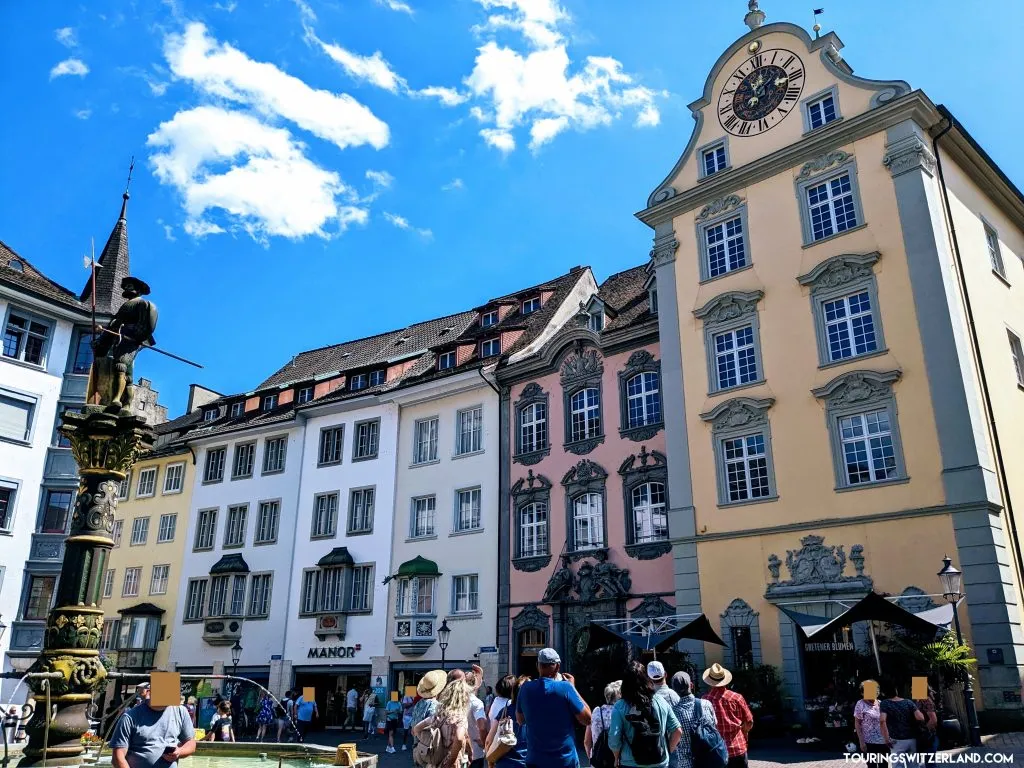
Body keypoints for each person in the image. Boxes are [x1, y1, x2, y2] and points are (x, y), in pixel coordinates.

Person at [516, 648, 592, 768]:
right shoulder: (566, 688)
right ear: (558, 667)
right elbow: (587, 719)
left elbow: (520, 720)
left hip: (536, 760)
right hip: (564, 761)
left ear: (538, 666)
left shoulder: (525, 688)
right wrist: (573, 688)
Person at [609, 661, 682, 768]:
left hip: (631, 762)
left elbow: (614, 739)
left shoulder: (620, 706)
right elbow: (677, 731)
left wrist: (616, 758)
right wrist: (666, 751)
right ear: (646, 679)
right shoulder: (660, 701)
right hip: (659, 762)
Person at [109, 682, 197, 768]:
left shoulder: (180, 711)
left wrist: (179, 752)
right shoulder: (130, 717)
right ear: (150, 692)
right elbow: (117, 758)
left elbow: (191, 743)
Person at [412, 678, 472, 768]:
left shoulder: (439, 714)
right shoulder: (460, 717)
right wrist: (451, 760)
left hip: (435, 761)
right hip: (452, 763)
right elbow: (459, 738)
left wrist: (425, 740)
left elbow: (416, 729)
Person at [702, 664, 753, 768]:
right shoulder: (737, 698)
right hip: (737, 747)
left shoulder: (704, 700)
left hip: (716, 749)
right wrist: (744, 732)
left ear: (710, 682)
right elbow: (749, 722)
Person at [668, 672, 718, 768]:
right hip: (708, 760)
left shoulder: (673, 712)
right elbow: (715, 726)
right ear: (691, 685)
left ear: (674, 690)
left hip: (686, 764)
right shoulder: (707, 704)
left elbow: (673, 738)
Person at [485, 675, 530, 768]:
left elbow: (489, 741)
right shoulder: (537, 713)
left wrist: (490, 761)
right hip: (527, 763)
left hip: (505, 763)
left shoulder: (504, 711)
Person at [880, 680, 924, 759]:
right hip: (911, 738)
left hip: (896, 740)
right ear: (896, 691)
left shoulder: (885, 703)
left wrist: (886, 739)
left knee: (898, 765)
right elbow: (920, 717)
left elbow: (882, 720)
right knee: (913, 765)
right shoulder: (908, 702)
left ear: (884, 693)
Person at [585, 680, 621, 760]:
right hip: (617, 760)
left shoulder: (596, 711)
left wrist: (591, 758)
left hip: (598, 759)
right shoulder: (620, 713)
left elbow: (587, 741)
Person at [854, 680, 890, 755]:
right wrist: (861, 742)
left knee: (883, 765)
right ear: (862, 693)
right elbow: (857, 724)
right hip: (869, 743)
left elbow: (885, 722)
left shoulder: (881, 703)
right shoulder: (860, 704)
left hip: (882, 742)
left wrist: (887, 738)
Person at [465, 671, 490, 768]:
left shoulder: (456, 700)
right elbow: (482, 727)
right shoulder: (476, 703)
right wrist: (484, 743)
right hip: (475, 750)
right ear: (474, 684)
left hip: (458, 749)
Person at [916, 686, 939, 754]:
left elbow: (933, 720)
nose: (911, 691)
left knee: (930, 762)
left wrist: (925, 731)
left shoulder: (925, 700)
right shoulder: (920, 700)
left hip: (928, 736)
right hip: (925, 735)